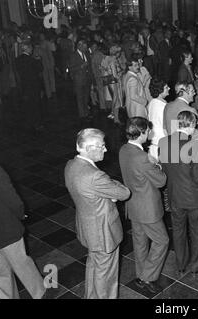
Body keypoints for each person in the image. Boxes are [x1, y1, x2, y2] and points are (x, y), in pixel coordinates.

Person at [0, 136, 47, 299]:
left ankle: (41, 293)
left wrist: (20, 215)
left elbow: (14, 201)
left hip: (7, 231)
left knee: (22, 266)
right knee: (0, 273)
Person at [64, 129, 131, 299]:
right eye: (101, 146)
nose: (106, 149)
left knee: (94, 267)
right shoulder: (95, 176)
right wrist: (111, 192)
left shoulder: (71, 165)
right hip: (103, 233)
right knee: (106, 277)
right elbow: (124, 193)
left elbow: (95, 193)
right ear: (87, 148)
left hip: (88, 228)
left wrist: (107, 192)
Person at [119, 118, 169, 295]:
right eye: (148, 131)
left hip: (133, 205)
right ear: (141, 133)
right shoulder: (142, 158)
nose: (150, 133)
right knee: (162, 241)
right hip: (148, 209)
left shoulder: (124, 149)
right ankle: (147, 276)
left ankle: (141, 274)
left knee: (140, 242)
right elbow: (161, 181)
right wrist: (157, 164)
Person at [158, 111, 198, 275]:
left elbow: (164, 169)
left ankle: (181, 264)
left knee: (178, 230)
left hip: (174, 194)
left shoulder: (164, 142)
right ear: (192, 125)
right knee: (196, 231)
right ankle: (196, 265)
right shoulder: (193, 145)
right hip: (193, 197)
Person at [15, 43, 44, 132]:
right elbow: (40, 69)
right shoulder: (32, 60)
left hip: (24, 85)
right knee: (35, 105)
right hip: (33, 86)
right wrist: (39, 60)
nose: (31, 50)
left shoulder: (17, 59)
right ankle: (37, 124)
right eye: (30, 48)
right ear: (27, 49)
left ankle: (28, 123)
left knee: (27, 105)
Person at [68, 39, 92, 122]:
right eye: (84, 47)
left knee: (86, 97)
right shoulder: (73, 55)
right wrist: (81, 66)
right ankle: (82, 115)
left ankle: (86, 112)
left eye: (86, 47)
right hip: (78, 79)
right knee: (80, 97)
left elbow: (90, 67)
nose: (86, 48)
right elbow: (71, 68)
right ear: (79, 46)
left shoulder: (86, 54)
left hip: (86, 79)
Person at [147, 78, 170, 160]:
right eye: (166, 87)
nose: (169, 89)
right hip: (162, 142)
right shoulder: (164, 106)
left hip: (153, 140)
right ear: (160, 90)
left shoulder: (151, 103)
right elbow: (166, 126)